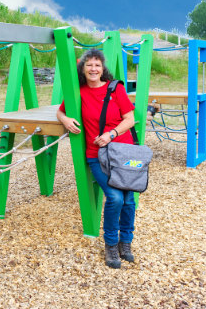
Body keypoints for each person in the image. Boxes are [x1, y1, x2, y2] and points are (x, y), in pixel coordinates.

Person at [56, 49, 137, 269]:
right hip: (97, 155)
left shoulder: (115, 89)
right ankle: (111, 245)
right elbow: (60, 111)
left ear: (103, 69)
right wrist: (65, 120)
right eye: (89, 65)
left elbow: (130, 119)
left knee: (129, 199)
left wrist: (112, 134)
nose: (93, 69)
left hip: (123, 152)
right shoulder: (78, 92)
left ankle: (125, 243)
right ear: (82, 69)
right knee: (115, 198)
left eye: (97, 65)